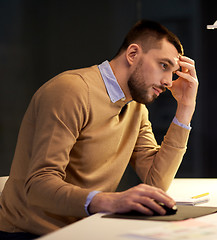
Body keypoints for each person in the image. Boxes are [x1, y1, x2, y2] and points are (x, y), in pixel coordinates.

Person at [0, 20, 198, 238]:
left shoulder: (135, 108)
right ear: (133, 54)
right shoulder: (71, 91)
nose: (169, 82)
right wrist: (108, 200)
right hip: (31, 232)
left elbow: (156, 183)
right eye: (164, 65)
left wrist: (185, 108)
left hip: (85, 229)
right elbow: (39, 184)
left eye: (174, 72)